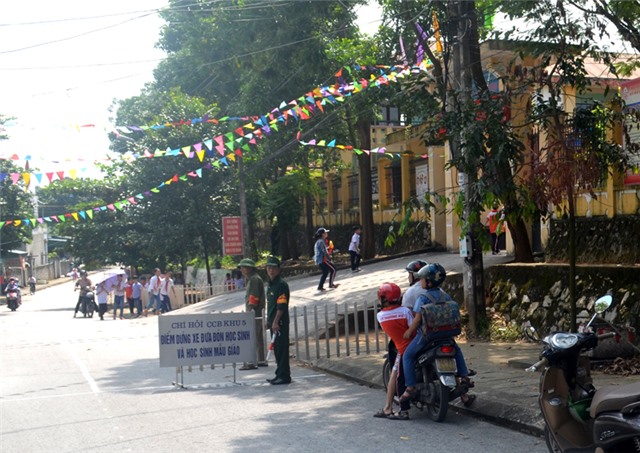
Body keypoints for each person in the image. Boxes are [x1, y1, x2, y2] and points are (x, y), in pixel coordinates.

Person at [400, 263, 475, 406]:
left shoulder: (422, 298)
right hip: (446, 336)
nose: (420, 281)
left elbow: (417, 319)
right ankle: (465, 377)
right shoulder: (444, 295)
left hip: (428, 337)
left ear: (428, 281)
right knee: (457, 351)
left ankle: (410, 387)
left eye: (422, 279)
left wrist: (409, 332)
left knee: (407, 356)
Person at [374, 282, 414, 420]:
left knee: (397, 376)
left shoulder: (381, 316)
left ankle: (397, 409)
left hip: (402, 348)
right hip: (416, 344)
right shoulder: (405, 311)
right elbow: (413, 327)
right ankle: (388, 407)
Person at [265, 256, 291, 385]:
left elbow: (281, 306)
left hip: (279, 323)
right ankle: (279, 373)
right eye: (269, 268)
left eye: (273, 268)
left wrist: (275, 322)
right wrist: (269, 321)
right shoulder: (270, 285)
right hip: (273, 323)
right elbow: (271, 306)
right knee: (277, 350)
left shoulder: (281, 285)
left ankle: (284, 376)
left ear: (279, 269)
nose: (271, 270)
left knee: (281, 349)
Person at [238, 258, 267, 370]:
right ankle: (261, 359)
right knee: (258, 337)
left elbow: (254, 298)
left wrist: (249, 311)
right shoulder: (253, 279)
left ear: (249, 268)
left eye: (243, 267)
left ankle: (250, 362)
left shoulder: (254, 280)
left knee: (252, 337)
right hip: (258, 312)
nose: (241, 270)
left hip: (254, 313)